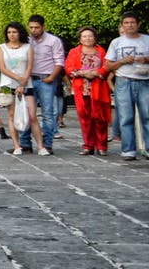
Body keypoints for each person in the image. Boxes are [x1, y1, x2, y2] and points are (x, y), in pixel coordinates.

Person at [0, 22, 47, 156]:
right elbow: (2, 68)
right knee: (12, 115)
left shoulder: (27, 47)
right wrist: (18, 78)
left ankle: (41, 147)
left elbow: (30, 66)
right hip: (7, 85)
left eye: (14, 32)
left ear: (20, 33)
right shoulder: (1, 48)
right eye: (9, 32)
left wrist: (23, 82)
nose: (11, 35)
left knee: (32, 116)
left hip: (26, 83)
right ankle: (17, 145)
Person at [105, 12, 149, 161]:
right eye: (126, 23)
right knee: (125, 117)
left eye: (132, 22)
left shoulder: (147, 40)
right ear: (122, 25)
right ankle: (128, 150)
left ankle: (148, 148)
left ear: (138, 24)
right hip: (123, 81)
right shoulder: (116, 42)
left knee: (147, 115)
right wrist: (122, 61)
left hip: (144, 81)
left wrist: (146, 59)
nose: (130, 25)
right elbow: (108, 66)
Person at [17, 15, 64, 153]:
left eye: (37, 27)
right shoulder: (26, 41)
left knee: (48, 113)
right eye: (31, 27)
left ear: (43, 26)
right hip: (29, 79)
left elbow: (59, 61)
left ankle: (47, 143)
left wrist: (52, 77)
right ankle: (25, 143)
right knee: (26, 112)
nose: (33, 30)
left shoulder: (53, 41)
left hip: (46, 79)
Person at [65, 27, 110, 156]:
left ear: (95, 38)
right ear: (80, 39)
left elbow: (106, 66)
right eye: (84, 36)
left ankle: (102, 146)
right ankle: (88, 145)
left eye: (90, 36)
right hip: (81, 88)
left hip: (98, 88)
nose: (87, 38)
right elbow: (68, 67)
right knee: (85, 117)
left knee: (100, 117)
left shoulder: (101, 51)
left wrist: (97, 73)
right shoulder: (74, 52)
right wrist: (82, 73)